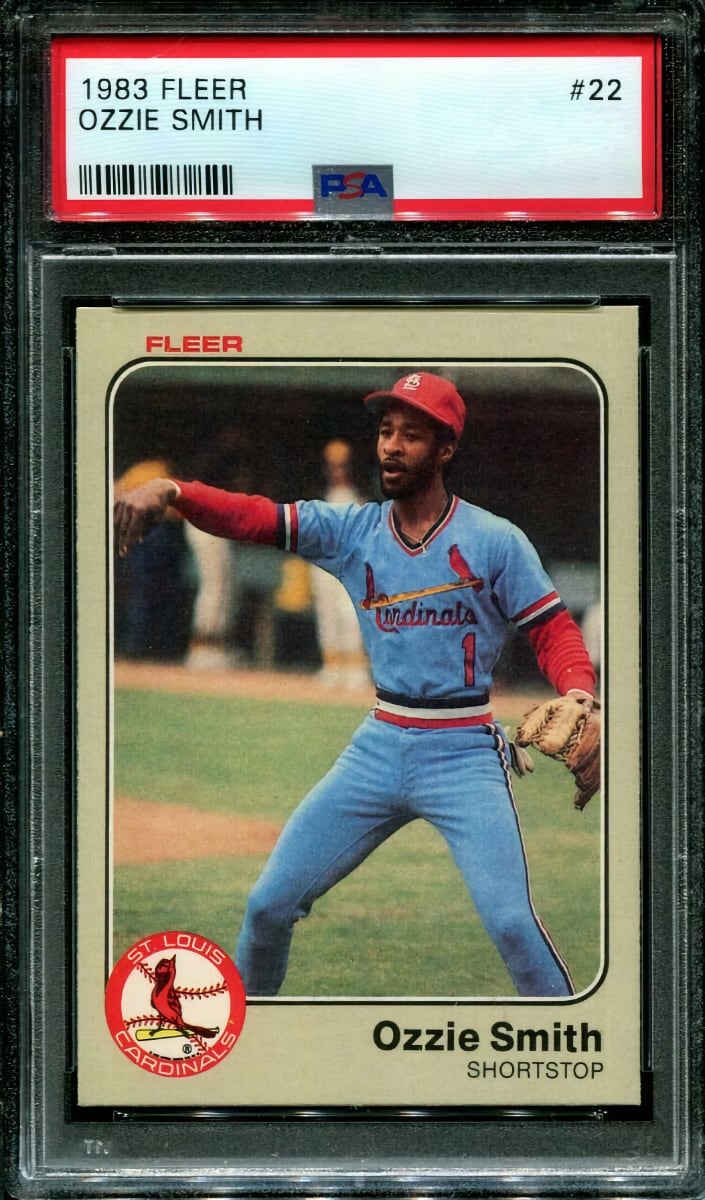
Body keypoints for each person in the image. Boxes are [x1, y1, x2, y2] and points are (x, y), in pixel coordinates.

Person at [114, 371, 598, 998]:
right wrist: (175, 490)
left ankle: (568, 1040)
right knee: (267, 906)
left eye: (411, 435)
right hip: (378, 748)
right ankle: (247, 1038)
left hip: (465, 754)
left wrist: (579, 692)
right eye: (386, 431)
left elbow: (553, 629)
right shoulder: (353, 530)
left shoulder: (495, 540)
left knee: (511, 924)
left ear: (445, 449)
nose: (392, 446)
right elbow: (255, 517)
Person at [310, 439, 370, 688]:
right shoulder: (320, 494)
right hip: (323, 561)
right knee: (327, 615)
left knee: (350, 614)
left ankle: (355, 669)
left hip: (349, 561)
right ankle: (332, 666)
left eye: (342, 465)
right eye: (332, 465)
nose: (337, 470)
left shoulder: (360, 496)